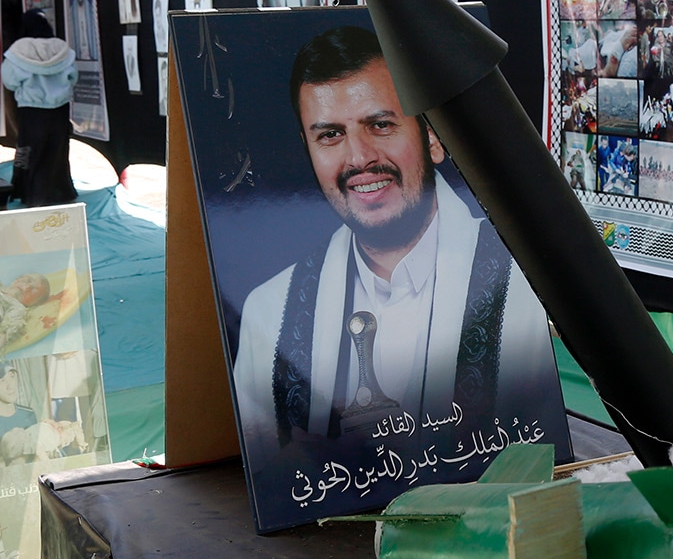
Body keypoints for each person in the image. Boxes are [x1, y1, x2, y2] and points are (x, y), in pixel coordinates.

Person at [231, 25, 555, 458]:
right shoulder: (268, 313)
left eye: (380, 125)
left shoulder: (528, 286)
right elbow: (265, 477)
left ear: (434, 137)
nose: (359, 158)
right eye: (330, 135)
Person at [2, 12, 78, 207]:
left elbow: (10, 81)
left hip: (31, 111)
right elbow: (73, 77)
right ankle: (61, 191)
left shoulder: (18, 51)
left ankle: (30, 193)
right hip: (59, 110)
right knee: (58, 151)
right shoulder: (62, 49)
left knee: (29, 151)